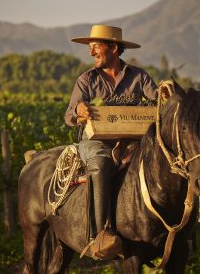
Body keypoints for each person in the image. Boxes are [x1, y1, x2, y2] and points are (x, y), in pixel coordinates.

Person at [64, 24, 158, 258]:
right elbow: (68, 116)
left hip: (132, 141)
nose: (91, 52)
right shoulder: (86, 80)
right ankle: (100, 234)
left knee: (160, 161)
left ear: (113, 48)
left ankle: (172, 228)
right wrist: (79, 109)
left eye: (96, 47)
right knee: (101, 163)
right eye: (91, 47)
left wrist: (167, 94)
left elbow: (159, 100)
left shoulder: (139, 77)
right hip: (96, 142)